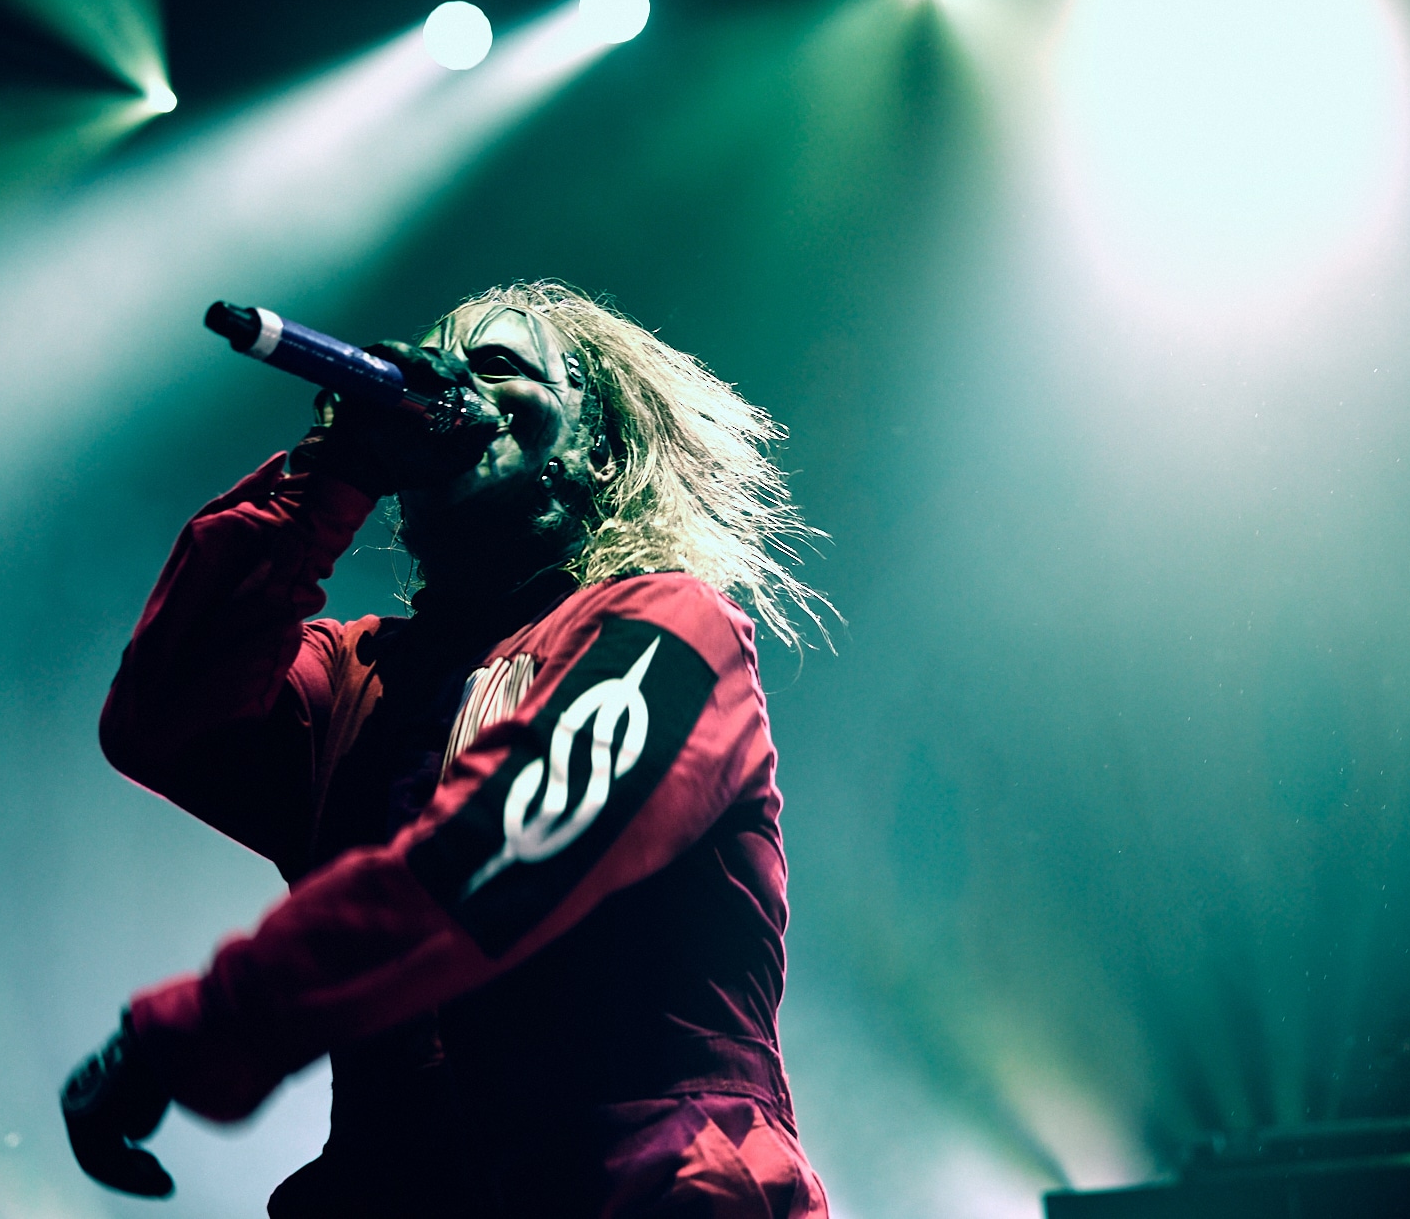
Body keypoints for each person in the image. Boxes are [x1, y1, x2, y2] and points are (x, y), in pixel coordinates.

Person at [63, 281, 834, 1218]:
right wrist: (334, 467)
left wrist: (204, 1031)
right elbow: (166, 716)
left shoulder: (669, 628)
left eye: (499, 366)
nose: (445, 383)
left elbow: (503, 854)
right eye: (429, 364)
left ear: (597, 447)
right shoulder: (359, 678)